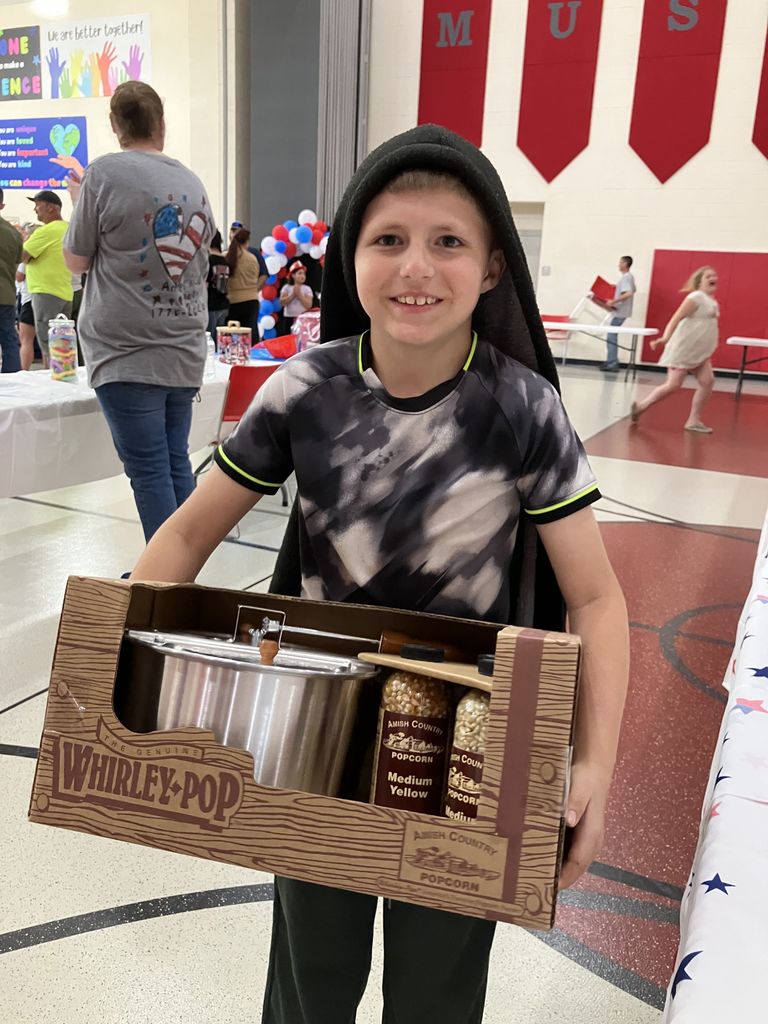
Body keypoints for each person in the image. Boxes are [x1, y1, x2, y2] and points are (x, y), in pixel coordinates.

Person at [129, 124, 629, 1024]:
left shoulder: (526, 410)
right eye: (388, 240)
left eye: (449, 242)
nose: (416, 268)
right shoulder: (301, 391)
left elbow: (595, 596)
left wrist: (596, 759)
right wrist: (109, 659)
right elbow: (186, 534)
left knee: (437, 996)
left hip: (467, 747)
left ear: (490, 270)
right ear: (348, 258)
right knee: (309, 985)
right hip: (314, 732)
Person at [63, 81, 215, 542]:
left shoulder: (104, 174)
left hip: (126, 350)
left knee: (148, 471)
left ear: (115, 125)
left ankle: (167, 584)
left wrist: (78, 203)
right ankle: (184, 576)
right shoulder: (191, 180)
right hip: (183, 348)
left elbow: (76, 259)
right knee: (174, 463)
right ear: (161, 123)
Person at [630, 266, 719, 433]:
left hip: (699, 353)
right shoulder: (696, 297)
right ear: (699, 281)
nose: (713, 277)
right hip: (684, 350)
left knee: (707, 382)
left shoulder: (711, 300)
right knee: (673, 385)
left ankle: (693, 420)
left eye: (714, 276)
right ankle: (641, 407)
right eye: (708, 276)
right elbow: (676, 318)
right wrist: (665, 338)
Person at [23, 189, 73, 369]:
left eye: (38, 205)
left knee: (48, 344)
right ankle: (63, 379)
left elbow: (22, 255)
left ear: (51, 208)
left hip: (45, 292)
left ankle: (53, 384)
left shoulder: (46, 231)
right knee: (62, 344)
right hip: (65, 292)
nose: (35, 210)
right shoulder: (68, 228)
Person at [0, 188, 23, 373]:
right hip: (6, 295)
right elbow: (17, 262)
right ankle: (12, 383)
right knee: (9, 342)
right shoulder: (13, 233)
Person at [602, 255, 636, 373]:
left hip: (620, 312)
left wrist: (613, 301)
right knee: (612, 336)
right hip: (622, 312)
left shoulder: (626, 277)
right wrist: (616, 288)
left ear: (625, 264)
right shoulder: (629, 277)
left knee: (611, 337)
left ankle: (612, 363)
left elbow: (628, 293)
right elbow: (632, 290)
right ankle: (611, 361)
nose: (618, 265)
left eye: (620, 262)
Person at [226, 227, 262, 330]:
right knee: (250, 335)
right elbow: (257, 277)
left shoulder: (227, 256)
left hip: (233, 301)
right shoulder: (253, 258)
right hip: (252, 300)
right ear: (246, 242)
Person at [229, 219, 268, 286]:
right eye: (233, 231)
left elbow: (263, 275)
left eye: (238, 231)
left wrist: (254, 290)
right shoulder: (226, 253)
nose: (235, 234)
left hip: (249, 293)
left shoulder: (254, 253)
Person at [279, 259, 313, 332]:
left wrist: (299, 295)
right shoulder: (286, 287)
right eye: (300, 273)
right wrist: (292, 295)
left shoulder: (307, 288)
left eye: (304, 274)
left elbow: (308, 305)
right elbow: (282, 303)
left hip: (303, 319)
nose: (303, 276)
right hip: (289, 318)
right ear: (293, 275)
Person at [206, 229, 229, 340]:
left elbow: (205, 284)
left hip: (211, 304)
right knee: (219, 341)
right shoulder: (224, 260)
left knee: (209, 339)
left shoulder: (208, 260)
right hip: (224, 304)